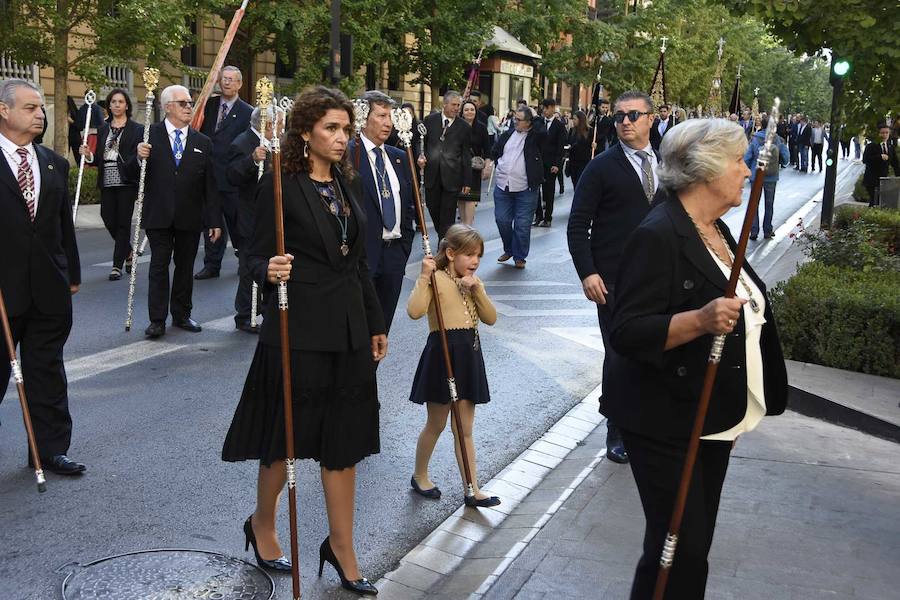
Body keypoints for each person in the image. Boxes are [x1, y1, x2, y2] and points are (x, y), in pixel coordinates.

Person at [604, 118, 788, 600]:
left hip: (708, 417)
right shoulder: (658, 234)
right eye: (739, 161)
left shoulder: (715, 228)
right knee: (677, 548)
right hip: (664, 416)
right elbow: (626, 330)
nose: (747, 172)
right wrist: (701, 319)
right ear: (706, 169)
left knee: (691, 545)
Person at [222, 86, 385, 596]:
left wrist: (376, 323)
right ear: (306, 132)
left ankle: (341, 547)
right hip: (297, 330)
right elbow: (253, 254)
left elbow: (357, 261)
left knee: (345, 443)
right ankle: (263, 524)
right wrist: (268, 271)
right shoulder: (280, 183)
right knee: (284, 441)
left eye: (345, 129)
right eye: (331, 129)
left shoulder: (347, 182)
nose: (342, 138)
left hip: (350, 331)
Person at [567, 90, 665, 465]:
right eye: (619, 116)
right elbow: (578, 225)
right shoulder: (601, 166)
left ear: (651, 119)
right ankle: (618, 428)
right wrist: (588, 272)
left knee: (654, 353)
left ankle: (648, 422)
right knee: (620, 354)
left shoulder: (668, 165)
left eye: (633, 115)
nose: (624, 121)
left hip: (658, 280)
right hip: (613, 281)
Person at [0, 79, 85, 475]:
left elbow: (60, 228)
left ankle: (49, 449)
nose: (40, 114)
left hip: (48, 289)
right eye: (31, 107)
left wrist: (72, 273)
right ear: (4, 110)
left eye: (40, 108)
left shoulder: (54, 162)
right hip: (4, 293)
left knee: (47, 370)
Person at [407, 224, 499, 507]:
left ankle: (472, 487)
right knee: (436, 423)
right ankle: (420, 474)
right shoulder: (435, 278)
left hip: (468, 355)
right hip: (442, 353)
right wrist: (424, 277)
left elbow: (491, 318)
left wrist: (478, 289)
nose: (475, 261)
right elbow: (414, 311)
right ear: (450, 253)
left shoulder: (472, 282)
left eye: (479, 256)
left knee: (464, 427)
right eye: (469, 255)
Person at [125, 84, 222, 338]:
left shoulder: (203, 141)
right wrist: (138, 158)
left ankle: (181, 314)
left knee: (185, 266)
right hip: (159, 213)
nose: (189, 106)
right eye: (183, 103)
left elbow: (210, 185)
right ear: (168, 107)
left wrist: (214, 220)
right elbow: (128, 174)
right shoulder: (149, 135)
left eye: (190, 102)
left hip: (190, 215)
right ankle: (157, 319)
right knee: (159, 266)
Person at [348, 90, 415, 333]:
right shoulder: (349, 155)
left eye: (391, 116)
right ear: (364, 117)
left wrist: (404, 246)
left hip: (393, 256)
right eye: (382, 116)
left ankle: (371, 371)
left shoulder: (399, 157)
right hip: (363, 257)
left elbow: (408, 206)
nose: (388, 123)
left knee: (382, 329)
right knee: (360, 328)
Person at [225, 103, 285, 333]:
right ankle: (245, 314)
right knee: (249, 266)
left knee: (269, 263)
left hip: (271, 213)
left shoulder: (275, 143)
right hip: (250, 214)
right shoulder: (242, 142)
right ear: (269, 125)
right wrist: (252, 160)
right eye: (280, 123)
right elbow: (231, 176)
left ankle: (264, 307)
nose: (282, 128)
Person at [195, 66, 253, 280]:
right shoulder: (208, 106)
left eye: (231, 79)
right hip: (209, 175)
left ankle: (244, 258)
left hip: (232, 177)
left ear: (239, 84)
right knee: (211, 222)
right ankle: (212, 264)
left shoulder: (247, 112)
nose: (226, 83)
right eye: (224, 79)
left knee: (236, 221)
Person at [79, 88, 143, 281]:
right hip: (107, 178)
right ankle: (129, 252)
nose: (117, 105)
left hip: (126, 180)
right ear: (109, 105)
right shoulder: (103, 128)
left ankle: (116, 265)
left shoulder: (137, 129)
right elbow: (99, 156)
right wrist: (88, 154)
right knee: (107, 217)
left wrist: (137, 158)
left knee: (123, 223)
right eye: (113, 102)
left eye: (120, 102)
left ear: (127, 105)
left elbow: (135, 156)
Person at [492, 107, 545, 269]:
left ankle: (519, 256)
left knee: (522, 224)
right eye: (514, 118)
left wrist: (534, 116)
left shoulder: (535, 136)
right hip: (503, 185)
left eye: (519, 119)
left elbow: (542, 129)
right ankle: (509, 249)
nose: (515, 121)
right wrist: (494, 164)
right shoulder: (507, 134)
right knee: (502, 220)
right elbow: (496, 152)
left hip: (525, 188)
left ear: (529, 123)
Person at [418, 90, 472, 240]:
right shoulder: (429, 120)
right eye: (454, 105)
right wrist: (420, 155)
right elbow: (420, 142)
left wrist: (467, 180)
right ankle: (444, 237)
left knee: (447, 216)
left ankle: (444, 245)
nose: (457, 108)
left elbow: (466, 155)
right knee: (434, 209)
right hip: (432, 176)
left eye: (458, 106)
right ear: (445, 104)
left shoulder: (464, 127)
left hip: (452, 178)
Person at [744, 117, 790, 240]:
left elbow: (748, 156)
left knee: (754, 204)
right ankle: (767, 230)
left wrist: (746, 170)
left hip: (756, 175)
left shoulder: (755, 138)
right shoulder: (777, 139)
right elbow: (786, 158)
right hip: (772, 176)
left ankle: (754, 231)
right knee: (769, 204)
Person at [533, 98, 566, 227]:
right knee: (535, 191)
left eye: (546, 108)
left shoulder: (559, 125)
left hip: (550, 163)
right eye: (543, 108)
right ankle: (538, 215)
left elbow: (560, 147)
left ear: (552, 108)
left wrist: (557, 164)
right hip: (537, 162)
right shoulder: (539, 123)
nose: (544, 111)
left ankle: (548, 218)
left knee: (548, 192)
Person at [458, 99, 491, 225]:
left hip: (474, 167)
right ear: (462, 112)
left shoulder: (482, 128)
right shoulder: (457, 126)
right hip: (459, 166)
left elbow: (487, 150)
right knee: (461, 198)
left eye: (472, 109)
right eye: (466, 110)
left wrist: (487, 167)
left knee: (471, 198)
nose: (469, 112)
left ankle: (468, 225)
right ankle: (462, 225)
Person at [862, 123, 900, 207]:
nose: (885, 135)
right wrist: (879, 157)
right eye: (882, 133)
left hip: (883, 180)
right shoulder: (871, 145)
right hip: (871, 179)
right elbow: (865, 160)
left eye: (887, 133)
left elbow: (895, 163)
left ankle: (873, 217)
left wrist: (898, 176)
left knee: (880, 201)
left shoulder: (890, 146)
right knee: (874, 200)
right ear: (878, 134)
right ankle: (868, 218)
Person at [567, 110, 592, 188]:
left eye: (575, 119)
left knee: (580, 184)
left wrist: (594, 145)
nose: (573, 121)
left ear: (580, 119)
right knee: (575, 184)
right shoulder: (572, 130)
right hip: (573, 162)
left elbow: (595, 145)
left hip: (584, 162)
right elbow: (568, 142)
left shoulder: (589, 131)